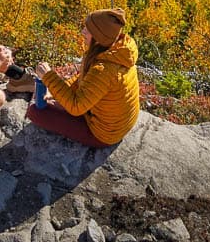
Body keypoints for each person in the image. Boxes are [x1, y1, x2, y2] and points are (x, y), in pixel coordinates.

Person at [28, 8, 140, 148]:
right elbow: (85, 80)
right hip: (117, 123)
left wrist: (49, 77)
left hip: (104, 135)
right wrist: (56, 93)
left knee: (35, 112)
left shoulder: (104, 70)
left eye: (88, 30)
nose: (82, 32)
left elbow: (76, 107)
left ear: (99, 37)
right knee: (56, 102)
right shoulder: (118, 51)